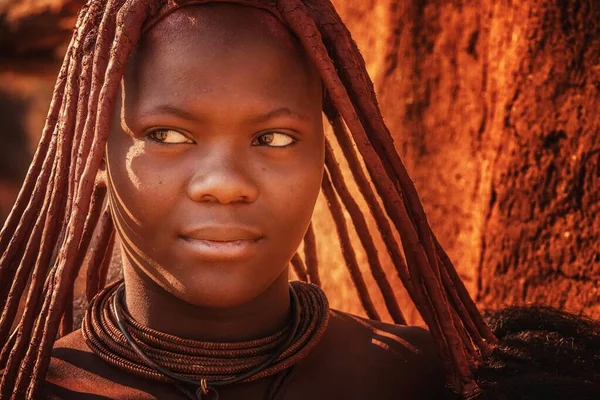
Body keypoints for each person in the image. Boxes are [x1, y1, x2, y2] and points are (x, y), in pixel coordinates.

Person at [2, 0, 591, 399]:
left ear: (323, 160)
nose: (225, 181)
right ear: (93, 157)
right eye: (168, 136)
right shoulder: (29, 387)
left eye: (275, 138)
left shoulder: (431, 381)